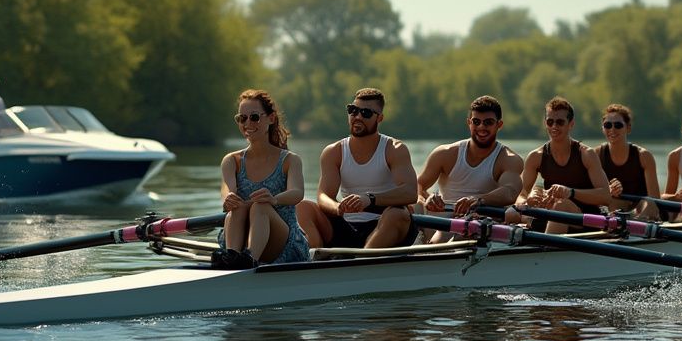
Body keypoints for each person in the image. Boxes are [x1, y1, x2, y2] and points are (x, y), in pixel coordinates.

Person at [297, 88, 420, 249]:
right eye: (353, 110)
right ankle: (313, 260)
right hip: (348, 226)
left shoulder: (395, 149)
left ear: (380, 118)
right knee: (303, 208)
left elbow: (411, 192)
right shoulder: (333, 152)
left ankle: (362, 261)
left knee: (398, 214)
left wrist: (369, 199)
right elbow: (323, 195)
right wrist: (337, 207)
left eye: (366, 113)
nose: (358, 117)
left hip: (384, 225)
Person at [214, 90, 310, 269]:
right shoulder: (231, 161)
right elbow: (227, 189)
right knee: (237, 206)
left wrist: (274, 199)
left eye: (255, 117)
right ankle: (233, 256)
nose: (248, 123)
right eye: (242, 118)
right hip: (240, 236)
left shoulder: (290, 160)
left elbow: (297, 193)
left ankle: (249, 259)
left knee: (260, 207)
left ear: (271, 119)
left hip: (283, 243)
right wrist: (228, 197)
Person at [416, 95, 524, 242]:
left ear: (499, 125)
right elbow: (418, 185)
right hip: (439, 220)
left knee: (465, 227)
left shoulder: (509, 159)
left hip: (479, 220)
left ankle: (430, 252)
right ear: (469, 123)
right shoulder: (445, 153)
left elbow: (510, 192)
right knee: (409, 206)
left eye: (488, 123)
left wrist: (477, 200)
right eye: (476, 122)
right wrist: (426, 198)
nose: (481, 127)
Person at [513, 97, 613, 233]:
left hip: (585, 219)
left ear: (571, 124)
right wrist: (527, 200)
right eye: (550, 122)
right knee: (511, 213)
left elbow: (605, 196)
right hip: (553, 214)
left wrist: (570, 192)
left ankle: (546, 250)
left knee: (561, 205)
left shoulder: (586, 154)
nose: (554, 126)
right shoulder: (535, 156)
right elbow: (520, 194)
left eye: (560, 122)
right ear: (545, 123)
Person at [596, 103, 661, 220]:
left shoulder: (644, 156)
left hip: (641, 209)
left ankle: (634, 225)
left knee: (649, 204)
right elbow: (593, 193)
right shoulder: (596, 154)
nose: (612, 129)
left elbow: (655, 199)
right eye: (607, 125)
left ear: (628, 128)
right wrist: (608, 190)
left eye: (618, 125)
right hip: (613, 208)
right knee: (613, 202)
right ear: (603, 128)